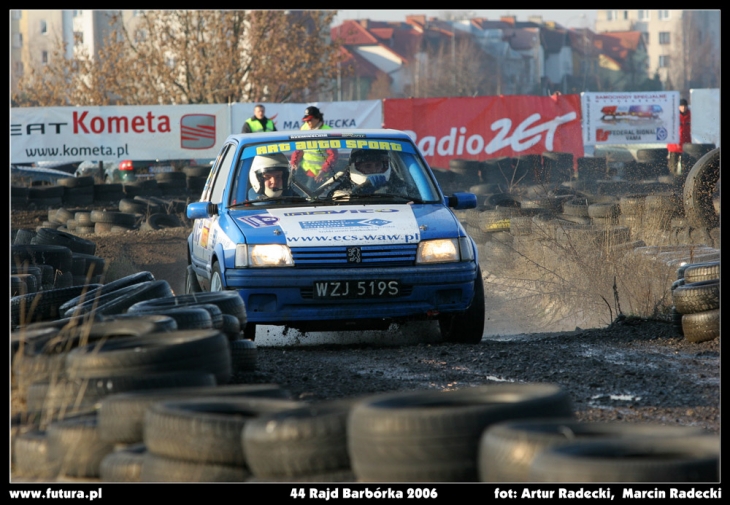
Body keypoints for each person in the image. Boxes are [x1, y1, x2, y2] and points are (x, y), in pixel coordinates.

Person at [326, 149, 409, 198]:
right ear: (355, 168)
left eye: (378, 165)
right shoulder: (343, 188)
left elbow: (414, 198)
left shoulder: (400, 187)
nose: (374, 170)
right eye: (368, 166)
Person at [289, 106, 338, 189]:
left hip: (319, 174)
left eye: (310, 120)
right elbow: (299, 149)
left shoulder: (327, 132)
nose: (308, 122)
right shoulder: (303, 128)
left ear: (318, 118)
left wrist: (323, 171)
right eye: (306, 120)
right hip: (304, 170)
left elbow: (333, 156)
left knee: (308, 195)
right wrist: (294, 162)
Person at [667, 98, 691, 175]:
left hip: (686, 144)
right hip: (674, 145)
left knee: (686, 167)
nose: (683, 108)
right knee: (673, 166)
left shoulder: (690, 116)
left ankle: (684, 180)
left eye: (684, 106)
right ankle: (673, 180)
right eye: (681, 106)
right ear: (678, 107)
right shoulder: (673, 116)